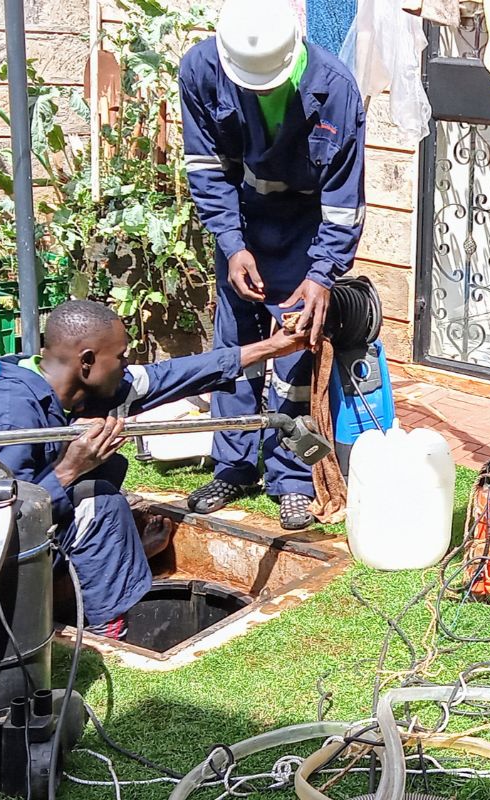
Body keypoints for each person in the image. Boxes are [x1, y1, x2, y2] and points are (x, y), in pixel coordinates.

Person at [0, 300, 308, 639]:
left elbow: (166, 376)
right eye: (122, 357)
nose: (127, 366)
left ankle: (106, 571)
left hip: (11, 545)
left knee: (104, 470)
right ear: (88, 361)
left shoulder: (67, 389)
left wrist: (271, 348)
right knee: (101, 501)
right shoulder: (10, 415)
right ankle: (106, 625)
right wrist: (68, 469)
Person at [178, 0, 367, 530]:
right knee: (235, 347)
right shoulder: (202, 68)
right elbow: (205, 167)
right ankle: (235, 466)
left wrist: (321, 274)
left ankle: (289, 477)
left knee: (294, 352)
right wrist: (232, 242)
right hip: (241, 220)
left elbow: (343, 202)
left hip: (307, 229)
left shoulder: (337, 91)